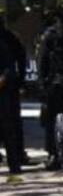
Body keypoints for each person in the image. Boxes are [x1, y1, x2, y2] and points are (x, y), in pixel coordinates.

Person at [37, 2, 63, 169]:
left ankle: (55, 155)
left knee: (54, 120)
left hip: (57, 84)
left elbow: (42, 62)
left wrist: (42, 84)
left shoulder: (51, 35)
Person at [0, 9, 29, 171]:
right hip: (8, 88)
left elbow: (14, 64)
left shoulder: (8, 39)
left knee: (9, 126)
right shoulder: (9, 37)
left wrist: (18, 81)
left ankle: (15, 160)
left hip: (5, 90)